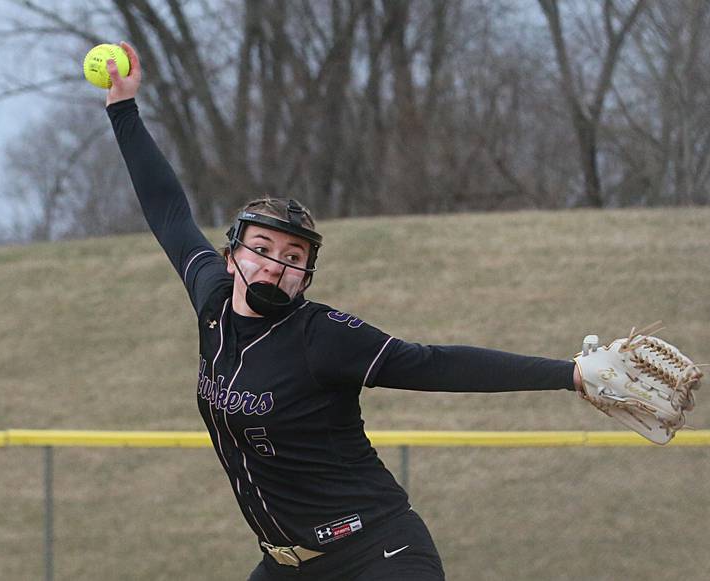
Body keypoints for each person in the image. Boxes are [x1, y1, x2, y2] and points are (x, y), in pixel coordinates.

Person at [104, 42, 582, 581]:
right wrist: (123, 109)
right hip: (285, 566)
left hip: (378, 555)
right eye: (261, 247)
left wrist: (571, 374)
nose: (274, 264)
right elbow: (168, 211)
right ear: (232, 252)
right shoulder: (212, 302)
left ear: (306, 273)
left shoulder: (323, 336)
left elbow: (437, 365)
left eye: (293, 256)